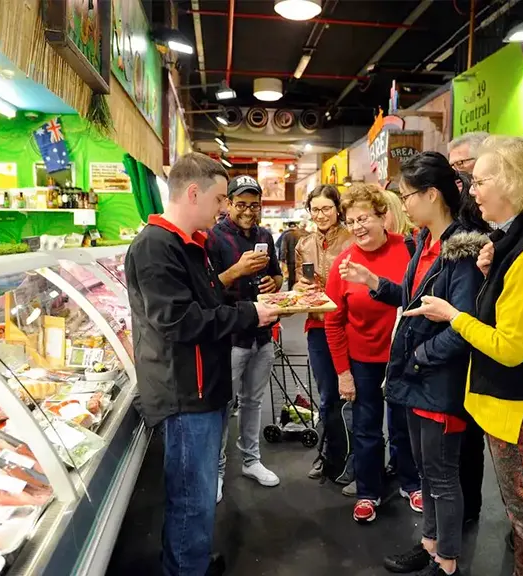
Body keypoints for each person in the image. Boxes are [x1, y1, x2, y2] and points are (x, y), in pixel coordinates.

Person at [408, 136, 523, 576]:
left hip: (518, 410)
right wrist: (490, 273)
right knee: (522, 519)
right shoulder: (517, 241)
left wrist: (453, 317)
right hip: (510, 406)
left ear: (511, 181)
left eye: (481, 179)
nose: (472, 189)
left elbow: (511, 346)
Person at [125, 153, 278, 576]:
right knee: (191, 497)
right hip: (184, 392)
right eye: (220, 198)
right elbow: (179, 320)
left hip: (200, 386)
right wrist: (250, 314)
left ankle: (188, 561)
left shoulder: (188, 243)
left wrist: (253, 305)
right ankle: (185, 568)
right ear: (193, 192)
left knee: (196, 493)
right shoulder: (157, 247)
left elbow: (208, 301)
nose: (224, 208)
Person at [345, 153, 488, 576]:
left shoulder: (462, 251)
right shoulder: (425, 244)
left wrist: (420, 357)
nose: (402, 205)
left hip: (440, 382)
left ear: (431, 195)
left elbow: (462, 325)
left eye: (407, 196)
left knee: (442, 476)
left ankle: (446, 559)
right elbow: (414, 304)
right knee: (426, 472)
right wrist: (374, 284)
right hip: (417, 378)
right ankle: (430, 544)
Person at [325, 184, 411, 523]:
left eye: (364, 218)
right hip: (362, 358)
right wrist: (343, 372)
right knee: (366, 426)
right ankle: (368, 492)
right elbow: (333, 321)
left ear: (382, 216)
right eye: (351, 220)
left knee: (405, 424)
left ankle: (411, 482)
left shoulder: (408, 250)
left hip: (403, 356)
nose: (358, 226)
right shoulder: (344, 263)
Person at [206, 175, 284, 502]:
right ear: (229, 204)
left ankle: (251, 460)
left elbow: (278, 275)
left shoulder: (266, 235)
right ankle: (217, 471)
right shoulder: (213, 238)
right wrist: (237, 270)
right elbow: (207, 288)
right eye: (241, 204)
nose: (249, 212)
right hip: (231, 338)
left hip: (263, 334)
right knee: (224, 405)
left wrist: (273, 283)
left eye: (254, 205)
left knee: (254, 401)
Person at [292, 185, 353, 480]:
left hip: (350, 327)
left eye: (326, 208)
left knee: (351, 395)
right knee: (327, 395)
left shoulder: (353, 240)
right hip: (317, 327)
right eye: (315, 209)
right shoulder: (303, 244)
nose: (321, 215)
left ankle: (353, 460)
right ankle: (329, 456)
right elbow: (298, 285)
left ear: (337, 209)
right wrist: (299, 289)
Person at [447, 134, 490, 525]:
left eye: (463, 166)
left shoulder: (494, 228)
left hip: (492, 349)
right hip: (466, 344)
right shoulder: (455, 225)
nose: (457, 176)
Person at [381, 187, 423, 512]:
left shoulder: (411, 247)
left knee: (401, 417)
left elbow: (407, 296)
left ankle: (409, 478)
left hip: (402, 341)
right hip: (380, 343)